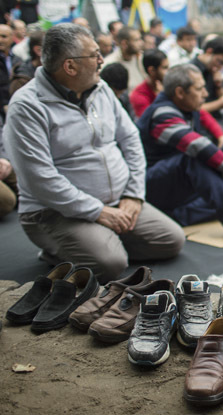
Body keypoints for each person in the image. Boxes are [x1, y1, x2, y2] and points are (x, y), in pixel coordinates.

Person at [4, 24, 184, 283]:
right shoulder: (27, 106)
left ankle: (99, 239)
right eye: (95, 54)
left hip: (115, 201)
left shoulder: (101, 88)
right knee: (111, 263)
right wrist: (96, 212)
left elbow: (131, 139)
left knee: (171, 240)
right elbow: (39, 178)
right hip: (55, 212)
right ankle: (71, 247)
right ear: (70, 66)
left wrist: (133, 194)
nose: (102, 60)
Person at [137, 64, 223, 243]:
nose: (205, 93)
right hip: (149, 186)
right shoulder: (162, 114)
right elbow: (198, 146)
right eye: (199, 89)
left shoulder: (188, 109)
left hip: (172, 184)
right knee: (193, 160)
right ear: (180, 92)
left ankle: (173, 215)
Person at [190, 37, 223, 120]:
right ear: (209, 52)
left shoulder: (212, 69)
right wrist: (219, 103)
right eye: (219, 62)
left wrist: (219, 85)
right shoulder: (192, 71)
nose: (220, 67)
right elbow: (193, 108)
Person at [103, 26, 145, 91]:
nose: (141, 43)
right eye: (136, 40)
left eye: (140, 39)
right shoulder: (110, 63)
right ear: (124, 43)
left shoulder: (140, 57)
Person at [0, 24, 21, 121]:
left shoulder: (17, 59)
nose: (0, 40)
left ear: (12, 38)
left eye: (4, 36)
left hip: (17, 104)